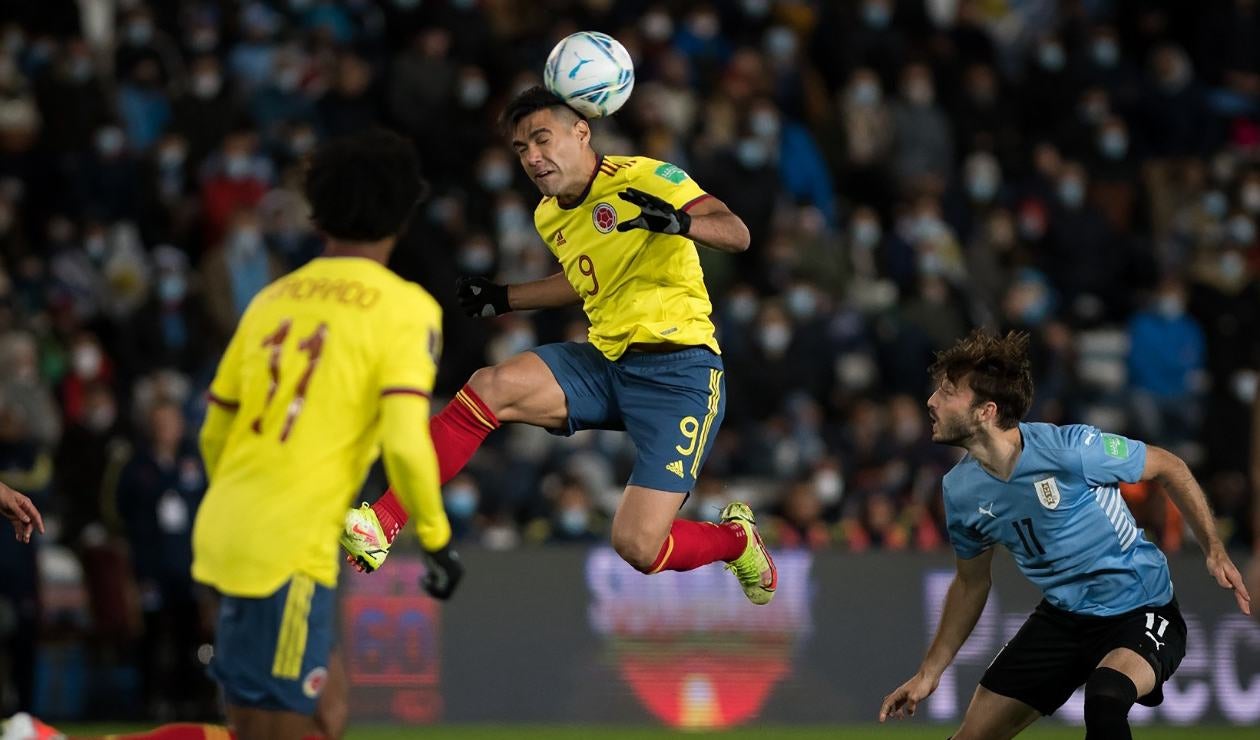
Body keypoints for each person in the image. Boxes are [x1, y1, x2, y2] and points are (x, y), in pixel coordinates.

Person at [340, 86, 777, 605]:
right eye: (522, 149)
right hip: (607, 362)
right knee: (491, 385)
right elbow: (585, 279)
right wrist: (507, 298)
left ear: (581, 132)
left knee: (637, 544)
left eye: (542, 140)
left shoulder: (648, 177)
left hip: (680, 374)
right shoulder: (550, 214)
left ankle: (735, 541)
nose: (533, 158)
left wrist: (682, 223)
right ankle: (383, 523)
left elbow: (738, 233)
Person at [190, 130, 462, 740]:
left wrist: (245, 498)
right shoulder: (404, 308)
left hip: (232, 528)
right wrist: (437, 539)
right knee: (274, 727)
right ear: (403, 212)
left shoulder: (270, 299)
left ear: (316, 212)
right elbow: (404, 440)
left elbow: (215, 431)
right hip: (287, 548)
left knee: (328, 710)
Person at [879, 330, 1250, 739]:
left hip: (1141, 607)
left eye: (947, 393)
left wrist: (1213, 548)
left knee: (1106, 699)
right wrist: (929, 673)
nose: (931, 402)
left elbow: (1168, 466)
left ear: (986, 411)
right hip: (1063, 619)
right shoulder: (959, 490)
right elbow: (971, 584)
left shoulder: (1072, 450)